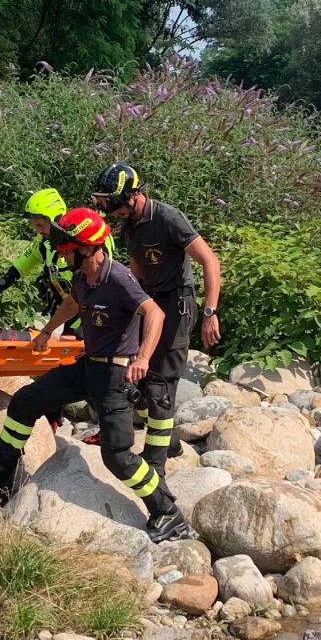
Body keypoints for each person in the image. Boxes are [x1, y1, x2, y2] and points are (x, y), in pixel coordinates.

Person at [0, 208, 192, 542]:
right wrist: (46, 333)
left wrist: (142, 358)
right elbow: (71, 303)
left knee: (118, 455)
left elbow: (154, 313)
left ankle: (168, 513)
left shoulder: (118, 277)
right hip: (88, 366)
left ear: (86, 248)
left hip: (115, 375)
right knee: (26, 401)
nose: (60, 253)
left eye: (66, 248)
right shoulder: (82, 278)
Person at [90, 164, 223, 478]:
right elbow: (135, 269)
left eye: (117, 203)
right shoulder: (130, 226)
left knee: (161, 383)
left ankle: (155, 465)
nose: (114, 211)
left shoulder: (168, 218)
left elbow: (210, 261)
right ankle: (171, 442)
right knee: (140, 375)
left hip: (178, 303)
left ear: (135, 195)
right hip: (150, 302)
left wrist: (209, 312)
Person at [0, 188, 76, 326]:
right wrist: (1, 284)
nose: (38, 231)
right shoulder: (44, 242)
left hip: (88, 314)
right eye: (34, 226)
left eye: (40, 225)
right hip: (65, 312)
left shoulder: (83, 243)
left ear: (56, 220)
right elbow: (25, 261)